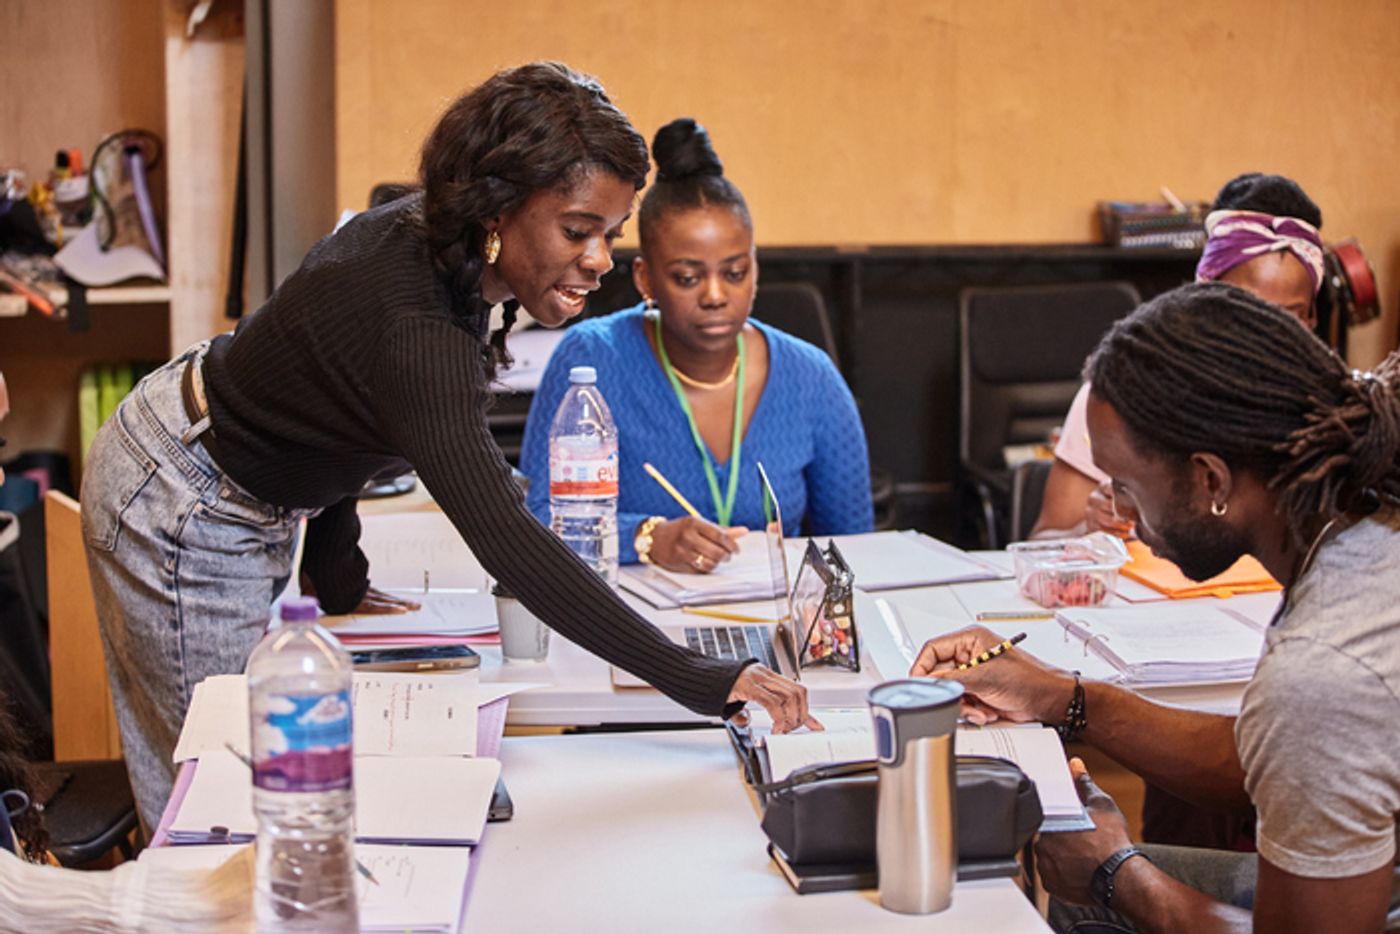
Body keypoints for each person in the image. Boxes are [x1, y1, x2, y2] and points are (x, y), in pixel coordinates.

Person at [80, 63, 816, 829]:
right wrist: (705, 679)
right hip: (185, 504)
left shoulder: (440, 242)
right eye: (576, 230)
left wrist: (336, 568)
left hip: (229, 474)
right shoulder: (420, 326)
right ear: (498, 211)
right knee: (220, 806)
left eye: (610, 234)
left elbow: (338, 395)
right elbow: (509, 540)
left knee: (255, 787)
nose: (599, 261)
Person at [915, 281, 1400, 932]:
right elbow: (1281, 759)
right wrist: (1060, 697)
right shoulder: (1364, 519)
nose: (1115, 511)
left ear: (1210, 480)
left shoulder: (1323, 664)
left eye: (1127, 487)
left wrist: (1116, 874)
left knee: (1072, 901)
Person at [521, 117, 873, 574]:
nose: (714, 295)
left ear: (756, 270)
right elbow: (534, 517)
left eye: (734, 273)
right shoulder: (591, 360)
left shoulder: (811, 377)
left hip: (767, 623)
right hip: (628, 625)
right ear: (646, 278)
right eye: (687, 277)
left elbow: (856, 548)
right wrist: (646, 537)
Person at [1031, 173, 1326, 540]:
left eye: (1286, 317)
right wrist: (1087, 530)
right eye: (1240, 310)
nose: (1260, 336)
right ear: (1203, 299)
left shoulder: (1333, 417)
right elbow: (1042, 541)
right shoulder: (1123, 394)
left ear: (1311, 318)